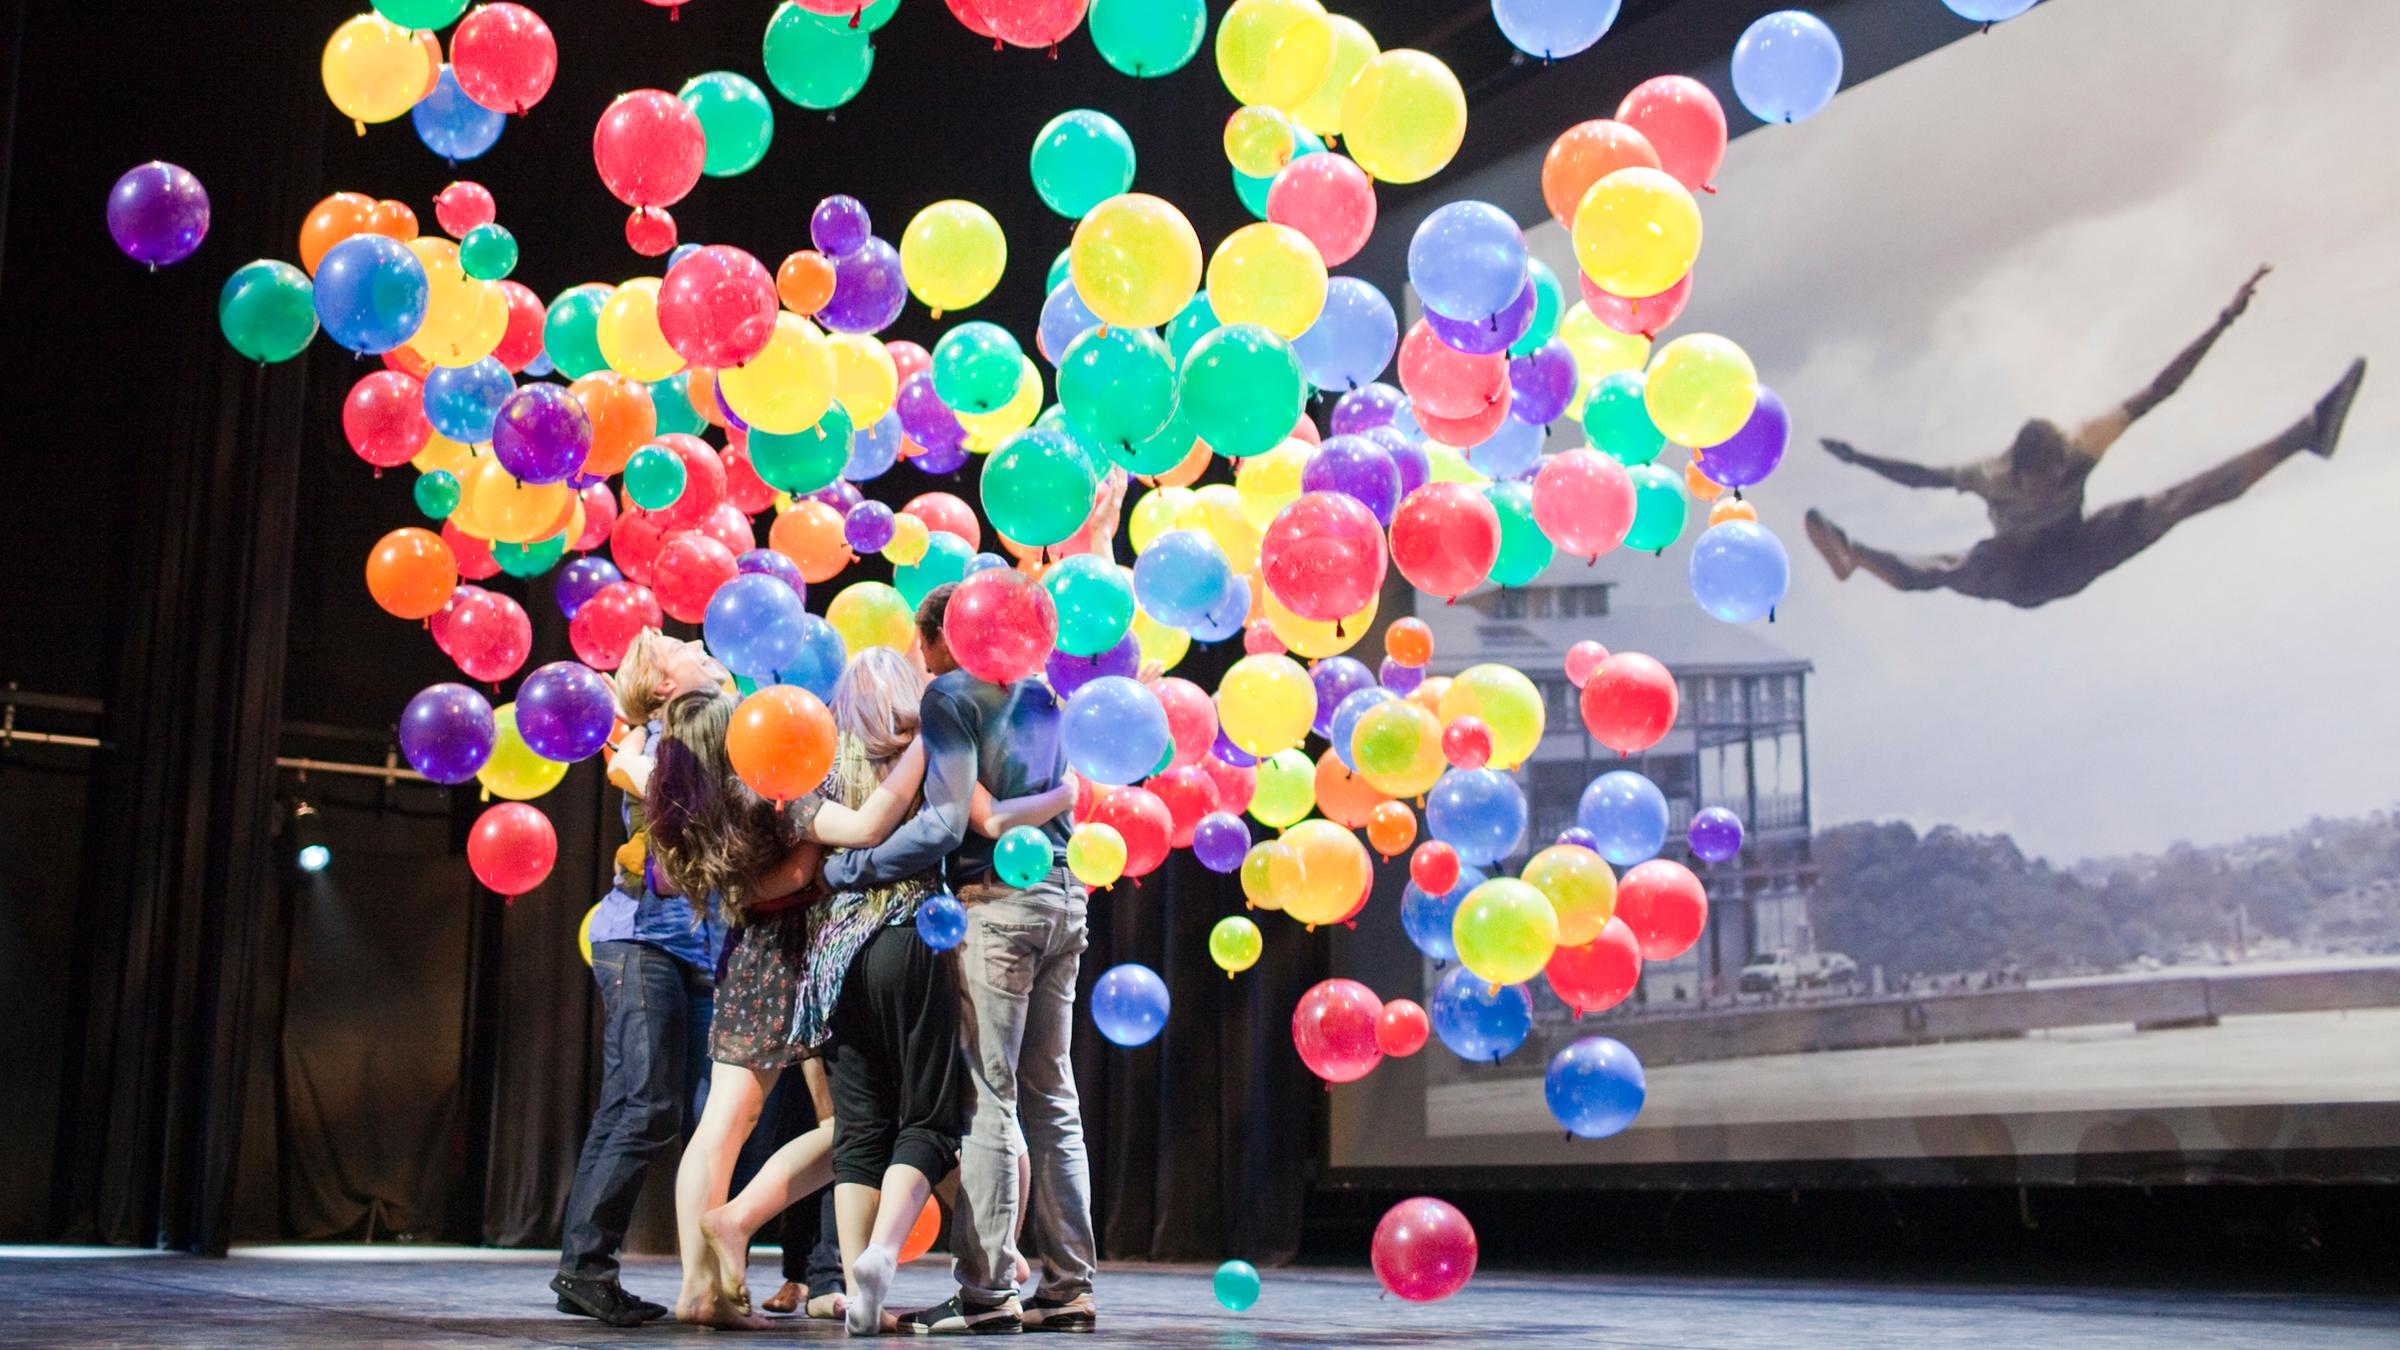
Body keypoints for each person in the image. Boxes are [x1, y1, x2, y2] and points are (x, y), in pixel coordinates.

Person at [647, 651, 1069, 1329]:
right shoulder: (906, 754)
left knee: (847, 1129)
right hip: (887, 939)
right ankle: (973, 1257)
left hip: (824, 955)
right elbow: (935, 824)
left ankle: (816, 1276)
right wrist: (1058, 793)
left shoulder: (807, 768)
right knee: (942, 1116)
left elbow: (780, 874)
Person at [821, 584, 1099, 1336]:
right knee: (1054, 1099)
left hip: (998, 907)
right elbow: (1065, 800)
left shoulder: (949, 693)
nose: (921, 657)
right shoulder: (1046, 692)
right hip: (1066, 896)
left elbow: (947, 824)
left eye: (924, 639)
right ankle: (1068, 1285)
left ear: (945, 635)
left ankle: (986, 1293)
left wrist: (859, 866)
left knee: (988, 1097)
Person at [1803, 266, 2366, 608]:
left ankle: (2306, 434)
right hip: (2017, 572)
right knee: (1941, 570)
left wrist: (2223, 321)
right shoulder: (1987, 476)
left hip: (2077, 552)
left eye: (2059, 470)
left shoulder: (2080, 449)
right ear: (2018, 471)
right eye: (2044, 475)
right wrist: (1858, 459)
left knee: (2176, 502)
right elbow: (1918, 477)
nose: (2055, 480)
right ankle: (1856, 556)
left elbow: (2160, 390)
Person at [550, 632, 730, 1328]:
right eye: (686, 648)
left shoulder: (701, 737)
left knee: (644, 1105)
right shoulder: (653, 746)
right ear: (661, 684)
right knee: (643, 1105)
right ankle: (586, 1268)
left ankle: (586, 1268)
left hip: (687, 947)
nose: (705, 646)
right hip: (641, 939)